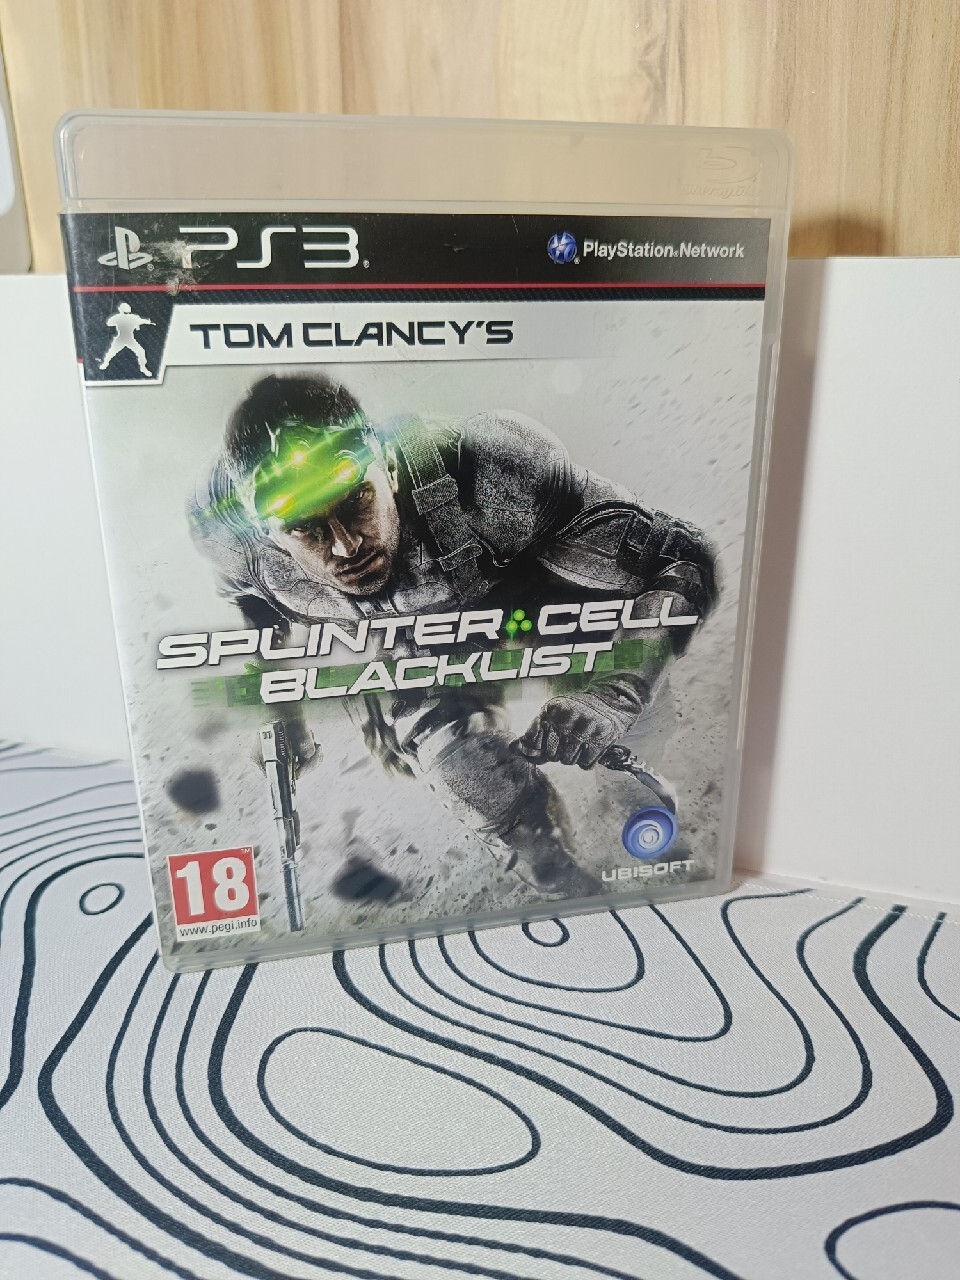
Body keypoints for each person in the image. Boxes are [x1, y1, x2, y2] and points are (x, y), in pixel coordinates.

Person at [191, 374, 718, 895]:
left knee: (633, 738)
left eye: (355, 502)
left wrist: (615, 693)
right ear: (264, 532)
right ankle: (572, 897)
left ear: (388, 466)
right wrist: (280, 710)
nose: (347, 546)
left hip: (535, 595)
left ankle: (647, 826)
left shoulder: (490, 471)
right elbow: (254, 605)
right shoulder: (232, 540)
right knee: (484, 794)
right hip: (414, 647)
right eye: (305, 528)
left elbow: (681, 559)